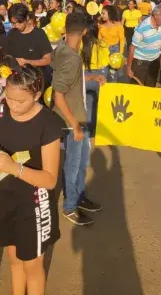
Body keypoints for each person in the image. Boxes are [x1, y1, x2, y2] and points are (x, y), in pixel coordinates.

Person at [0, 65, 63, 295]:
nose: (13, 106)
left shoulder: (49, 124)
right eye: (9, 99)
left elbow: (50, 180)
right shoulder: (2, 109)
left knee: (31, 265)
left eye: (20, 101)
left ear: (37, 95)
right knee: (14, 258)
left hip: (34, 204)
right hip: (7, 195)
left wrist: (12, 167)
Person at [52, 12, 101, 226]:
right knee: (73, 165)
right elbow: (58, 93)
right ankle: (70, 206)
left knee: (81, 164)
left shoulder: (62, 49)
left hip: (75, 117)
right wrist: (74, 125)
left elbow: (68, 78)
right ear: (83, 32)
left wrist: (89, 77)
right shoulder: (72, 57)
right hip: (73, 121)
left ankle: (79, 197)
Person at [126, 5, 161, 87]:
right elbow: (132, 49)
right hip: (140, 63)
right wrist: (128, 68)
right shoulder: (142, 28)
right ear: (155, 15)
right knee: (137, 90)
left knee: (150, 88)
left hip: (154, 62)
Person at [81, 18, 108, 138]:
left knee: (85, 104)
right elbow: (105, 64)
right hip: (99, 77)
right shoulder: (102, 44)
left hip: (83, 77)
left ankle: (84, 131)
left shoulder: (79, 44)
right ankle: (93, 131)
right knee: (94, 105)